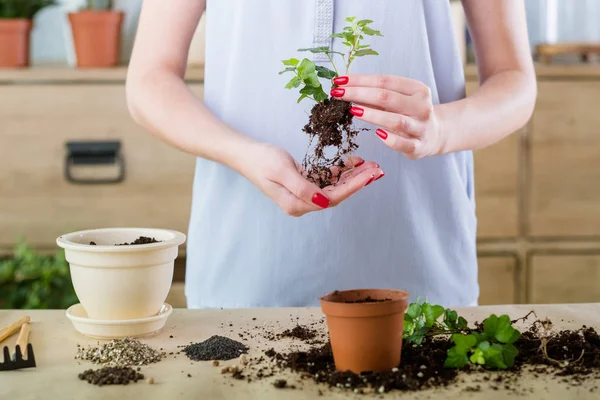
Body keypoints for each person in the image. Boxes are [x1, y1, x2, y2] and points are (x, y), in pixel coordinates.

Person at [126, 0, 536, 308]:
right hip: (248, 265)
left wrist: (440, 129)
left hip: (419, 264)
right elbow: (149, 79)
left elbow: (514, 80)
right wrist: (242, 153)